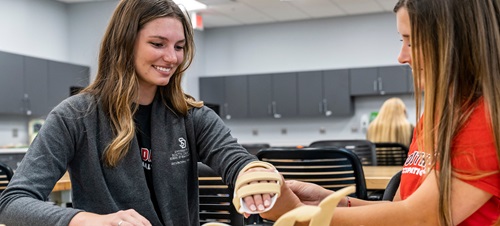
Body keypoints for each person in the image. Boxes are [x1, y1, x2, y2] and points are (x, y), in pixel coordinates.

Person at [0, 0, 278, 225]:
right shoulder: (74, 117)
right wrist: (87, 220)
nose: (172, 58)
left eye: (179, 47)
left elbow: (235, 160)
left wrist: (251, 171)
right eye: (158, 44)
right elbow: (13, 202)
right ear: (124, 44)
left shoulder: (192, 116)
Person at [260, 0, 500, 225]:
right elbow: (399, 209)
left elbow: (419, 218)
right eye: (401, 42)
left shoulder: (484, 118)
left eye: (411, 42)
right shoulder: (436, 117)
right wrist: (331, 201)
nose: (402, 57)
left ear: (454, 42)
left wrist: (301, 215)